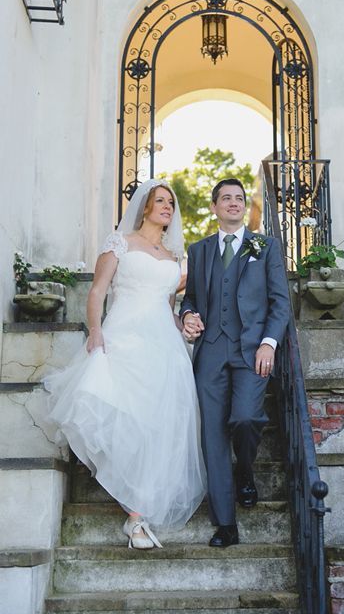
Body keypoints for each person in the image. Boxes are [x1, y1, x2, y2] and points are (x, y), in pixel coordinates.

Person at [44, 180, 207, 549]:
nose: (168, 206)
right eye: (160, 201)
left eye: (171, 202)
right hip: (123, 337)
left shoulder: (172, 257)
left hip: (164, 347)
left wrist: (187, 327)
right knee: (125, 422)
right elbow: (98, 291)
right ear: (145, 206)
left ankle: (136, 518)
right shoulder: (119, 243)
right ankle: (132, 512)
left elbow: (168, 309)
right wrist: (95, 331)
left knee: (158, 428)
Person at [179, 179, 290, 548]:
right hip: (210, 352)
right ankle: (225, 524)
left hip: (252, 351)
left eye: (239, 198)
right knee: (212, 435)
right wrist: (189, 315)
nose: (233, 203)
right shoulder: (200, 250)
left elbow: (280, 301)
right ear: (214, 207)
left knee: (245, 418)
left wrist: (269, 343)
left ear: (244, 207)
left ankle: (245, 471)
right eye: (225, 198)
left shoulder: (266, 246)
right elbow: (191, 297)